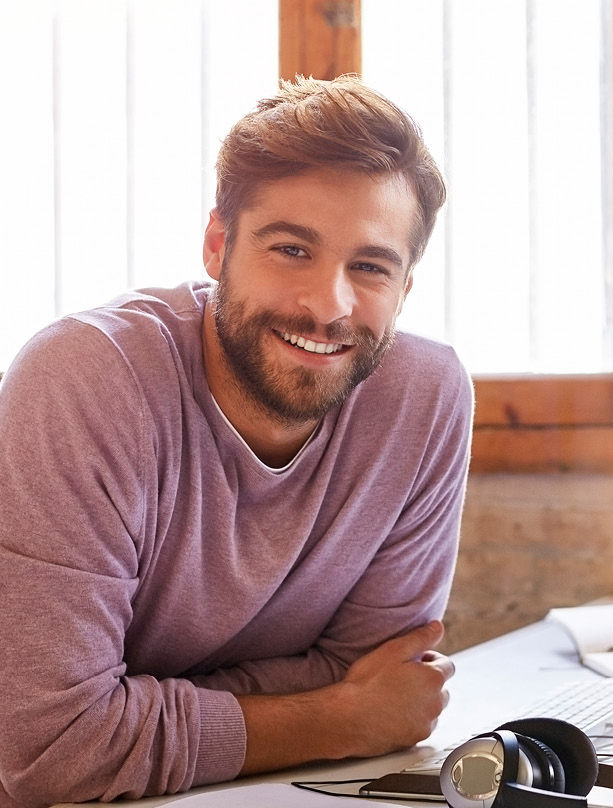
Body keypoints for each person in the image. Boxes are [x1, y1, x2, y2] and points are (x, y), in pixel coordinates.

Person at [0, 75, 473, 807]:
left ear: (406, 287)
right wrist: (339, 716)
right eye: (291, 249)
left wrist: (131, 708)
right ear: (218, 245)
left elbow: (386, 674)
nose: (328, 306)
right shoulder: (85, 380)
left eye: (370, 266)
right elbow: (50, 749)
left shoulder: (425, 397)